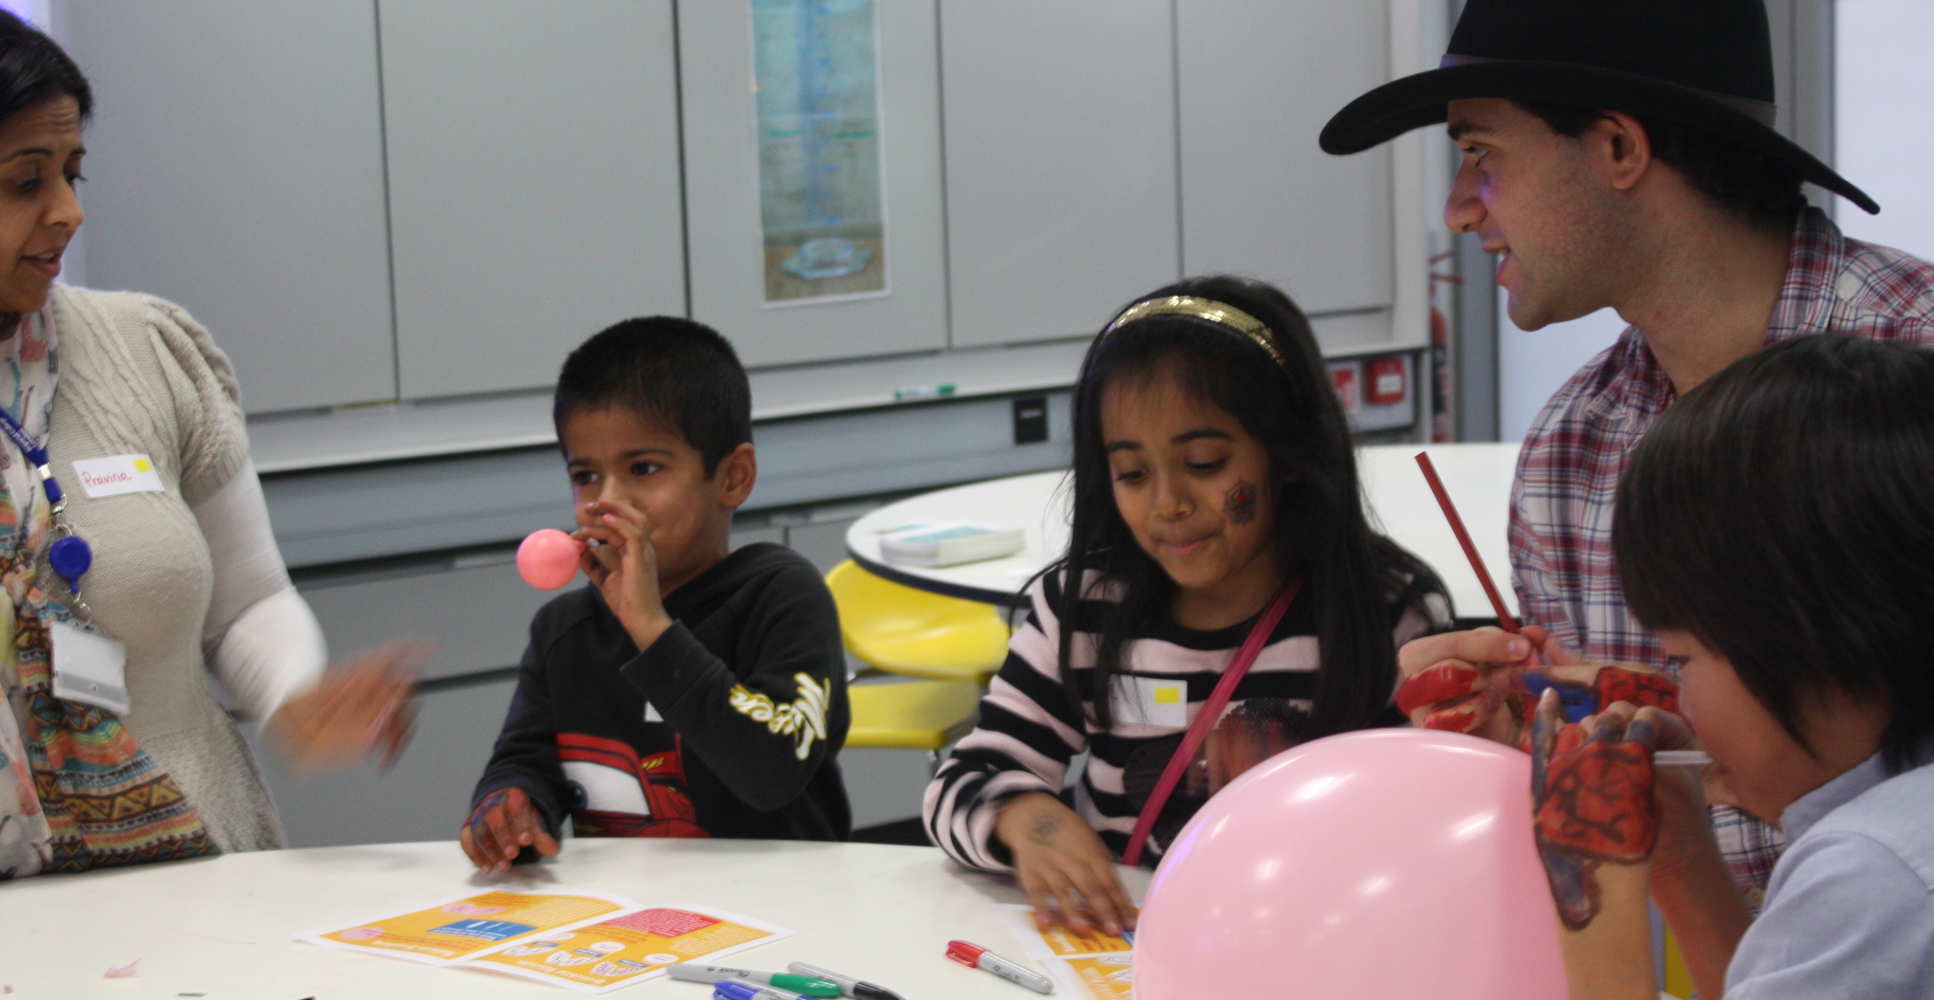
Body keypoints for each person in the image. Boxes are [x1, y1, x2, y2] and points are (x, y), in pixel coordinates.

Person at [1320, 0, 1934, 901]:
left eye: (1480, 152)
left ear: (1617, 149)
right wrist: (1521, 742)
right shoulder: (1571, 450)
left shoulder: (1912, 367)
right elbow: (1634, 814)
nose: (1457, 208)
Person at [0, 12, 421, 879]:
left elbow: (247, 602)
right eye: (24, 181)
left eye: (73, 173)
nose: (69, 211)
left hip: (194, 877)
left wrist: (296, 699)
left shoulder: (147, 350)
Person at [921, 276, 1450, 934]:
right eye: (1133, 474)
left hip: (1318, 938)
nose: (1167, 504)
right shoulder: (1080, 609)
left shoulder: (1385, 613)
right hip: (1137, 945)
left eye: (1203, 462)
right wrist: (1029, 819)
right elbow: (965, 778)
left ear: (1287, 454)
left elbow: (1429, 814)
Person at [1528, 334, 1934, 999]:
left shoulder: (1873, 870)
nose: (1681, 702)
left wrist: (1590, 893)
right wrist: (1685, 861)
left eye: (1683, 658)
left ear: (1815, 643)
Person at [460, 317, 849, 871]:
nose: (606, 501)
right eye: (586, 475)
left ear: (733, 477)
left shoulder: (782, 595)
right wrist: (509, 808)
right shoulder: (563, 631)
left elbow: (772, 771)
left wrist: (650, 628)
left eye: (643, 468)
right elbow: (526, 759)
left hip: (786, 911)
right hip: (634, 923)